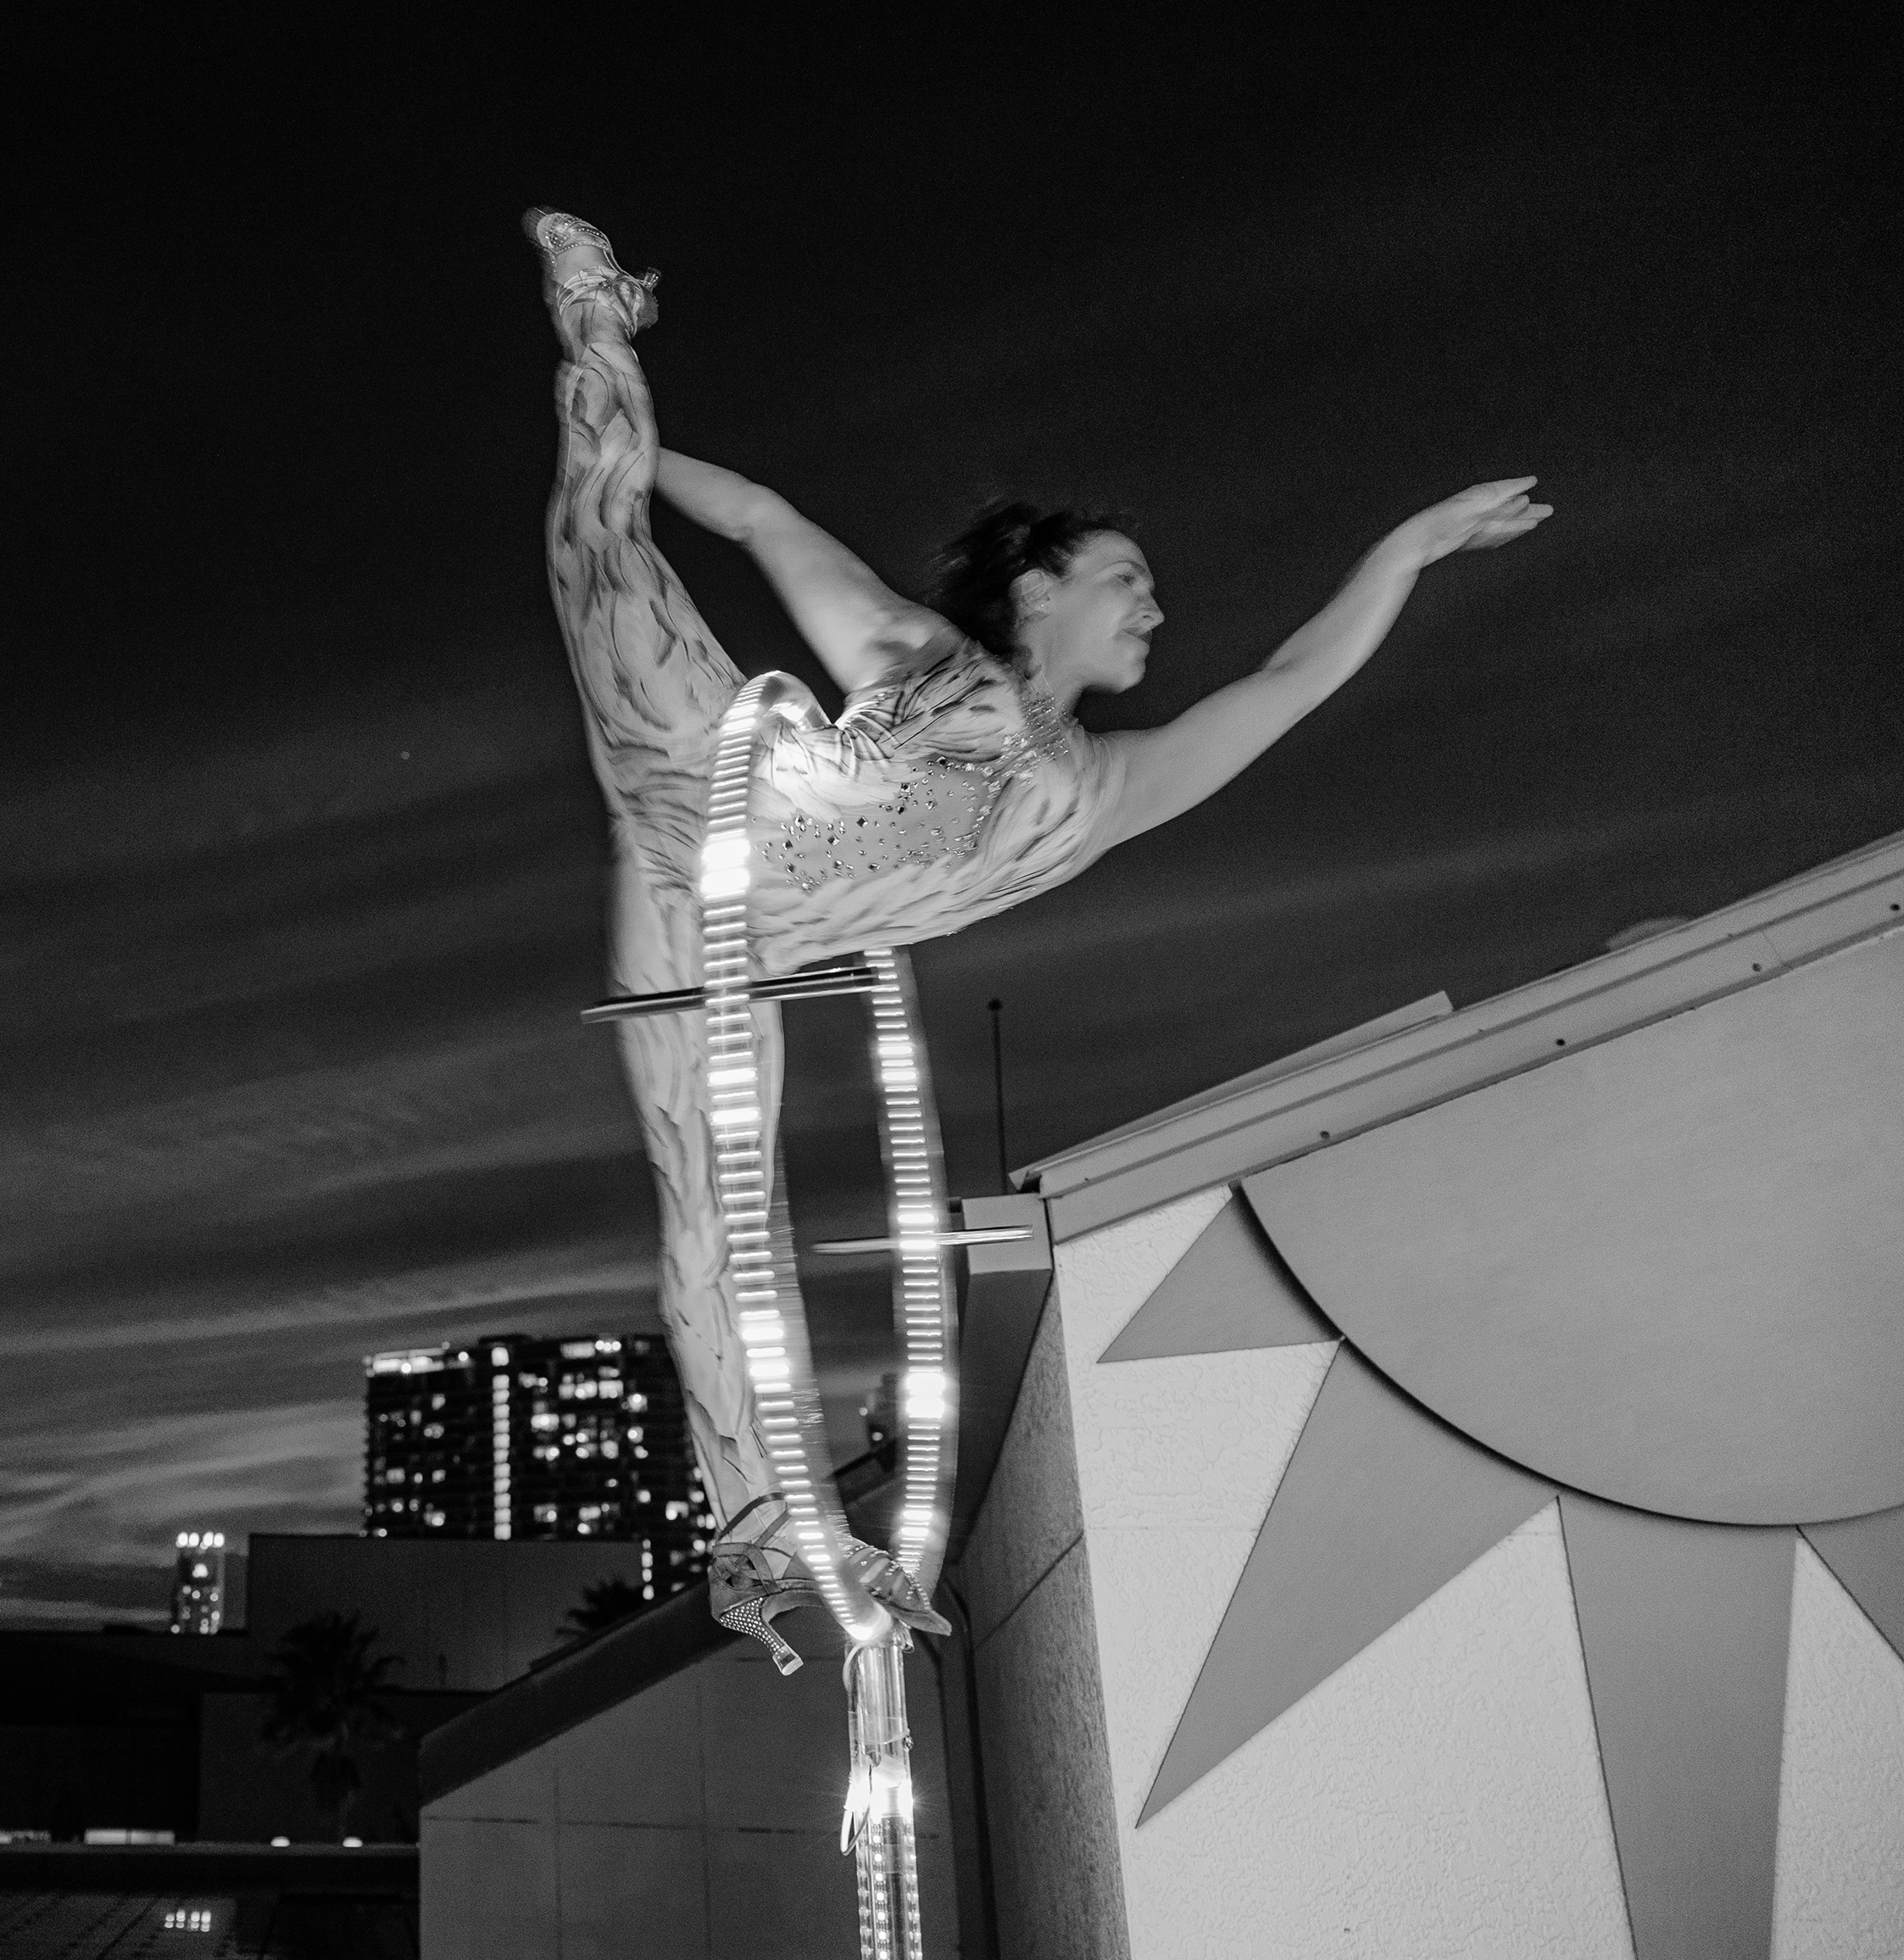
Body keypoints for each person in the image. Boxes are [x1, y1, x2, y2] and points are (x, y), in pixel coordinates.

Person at [526, 209, 1546, 1651]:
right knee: (601, 531)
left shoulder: (1109, 792)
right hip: (710, 780)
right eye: (1129, 578)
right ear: (1037, 590)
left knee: (709, 1202)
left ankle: (754, 1535)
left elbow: (1291, 680)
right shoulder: (923, 656)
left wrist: (1413, 546)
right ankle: (594, 318)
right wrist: (633, 453)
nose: (1159, 608)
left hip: (728, 934)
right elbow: (756, 515)